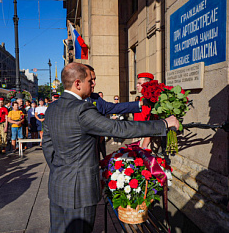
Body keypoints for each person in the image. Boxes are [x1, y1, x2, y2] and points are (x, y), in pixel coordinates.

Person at [42, 62, 179, 233]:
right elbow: (118, 128)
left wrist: (60, 170)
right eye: (90, 81)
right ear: (77, 83)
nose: (93, 84)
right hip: (80, 192)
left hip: (58, 186)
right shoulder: (81, 109)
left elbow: (47, 146)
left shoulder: (53, 107)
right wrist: (164, 124)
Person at [134, 72, 154, 149]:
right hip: (138, 135)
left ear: (147, 85)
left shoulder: (150, 100)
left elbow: (152, 122)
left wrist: (146, 141)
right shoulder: (143, 99)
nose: (137, 85)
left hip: (145, 138)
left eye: (139, 83)